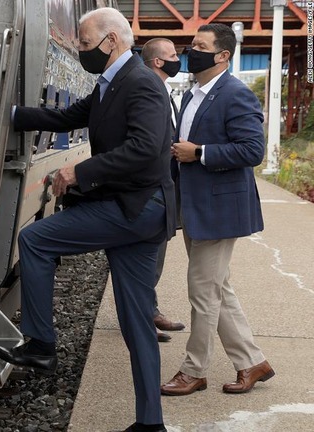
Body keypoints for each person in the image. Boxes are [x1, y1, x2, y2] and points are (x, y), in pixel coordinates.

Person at [0, 7, 175, 432]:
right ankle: (151, 423)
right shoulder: (110, 84)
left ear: (112, 41)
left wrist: (79, 171)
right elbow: (66, 117)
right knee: (135, 321)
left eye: (86, 45)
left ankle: (40, 344)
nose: (81, 52)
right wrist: (12, 115)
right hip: (137, 210)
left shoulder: (142, 84)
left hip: (138, 208)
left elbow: (146, 149)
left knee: (36, 240)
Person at [161, 23, 274, 396]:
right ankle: (252, 362)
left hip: (220, 211)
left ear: (223, 55)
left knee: (202, 292)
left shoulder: (235, 94)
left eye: (200, 45)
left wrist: (200, 153)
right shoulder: (192, 94)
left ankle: (194, 371)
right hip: (195, 206)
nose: (191, 50)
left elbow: (252, 150)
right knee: (218, 290)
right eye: (192, 44)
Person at [141, 38, 187, 343]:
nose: (177, 60)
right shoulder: (148, 89)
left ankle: (150, 309)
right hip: (149, 190)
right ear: (158, 62)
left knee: (156, 255)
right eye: (172, 56)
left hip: (166, 187)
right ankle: (141, 318)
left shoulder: (165, 90)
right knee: (145, 256)